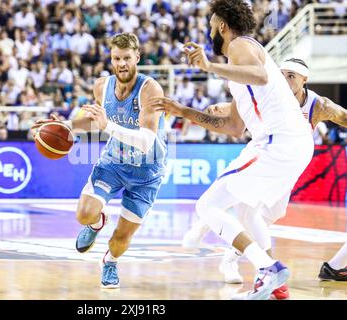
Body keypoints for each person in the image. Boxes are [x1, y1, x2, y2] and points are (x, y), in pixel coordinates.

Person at [153, 0, 314, 299]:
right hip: (289, 143)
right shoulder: (235, 72)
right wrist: (184, 111)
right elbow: (234, 128)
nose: (210, 31)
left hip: (280, 141)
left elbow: (262, 75)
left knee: (207, 206)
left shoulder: (239, 46)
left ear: (222, 26)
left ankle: (268, 267)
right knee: (247, 211)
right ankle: (275, 284)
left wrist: (209, 66)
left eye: (212, 25)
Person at [184, 58, 347, 287]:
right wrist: (224, 108)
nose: (285, 80)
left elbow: (344, 117)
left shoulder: (318, 105)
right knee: (245, 206)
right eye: (282, 75)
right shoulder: (272, 92)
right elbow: (242, 106)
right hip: (263, 153)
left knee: (272, 214)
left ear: (304, 80)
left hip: (287, 164)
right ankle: (251, 263)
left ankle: (232, 252)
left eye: (291, 76)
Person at [31, 33, 166, 289]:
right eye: (117, 58)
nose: (122, 63)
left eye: (127, 58)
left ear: (137, 57)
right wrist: (65, 125)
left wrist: (109, 126)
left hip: (147, 172)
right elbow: (95, 119)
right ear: (111, 59)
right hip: (114, 163)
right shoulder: (102, 86)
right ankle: (96, 223)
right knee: (84, 214)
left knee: (120, 239)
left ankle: (110, 261)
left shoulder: (150, 90)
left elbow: (147, 140)